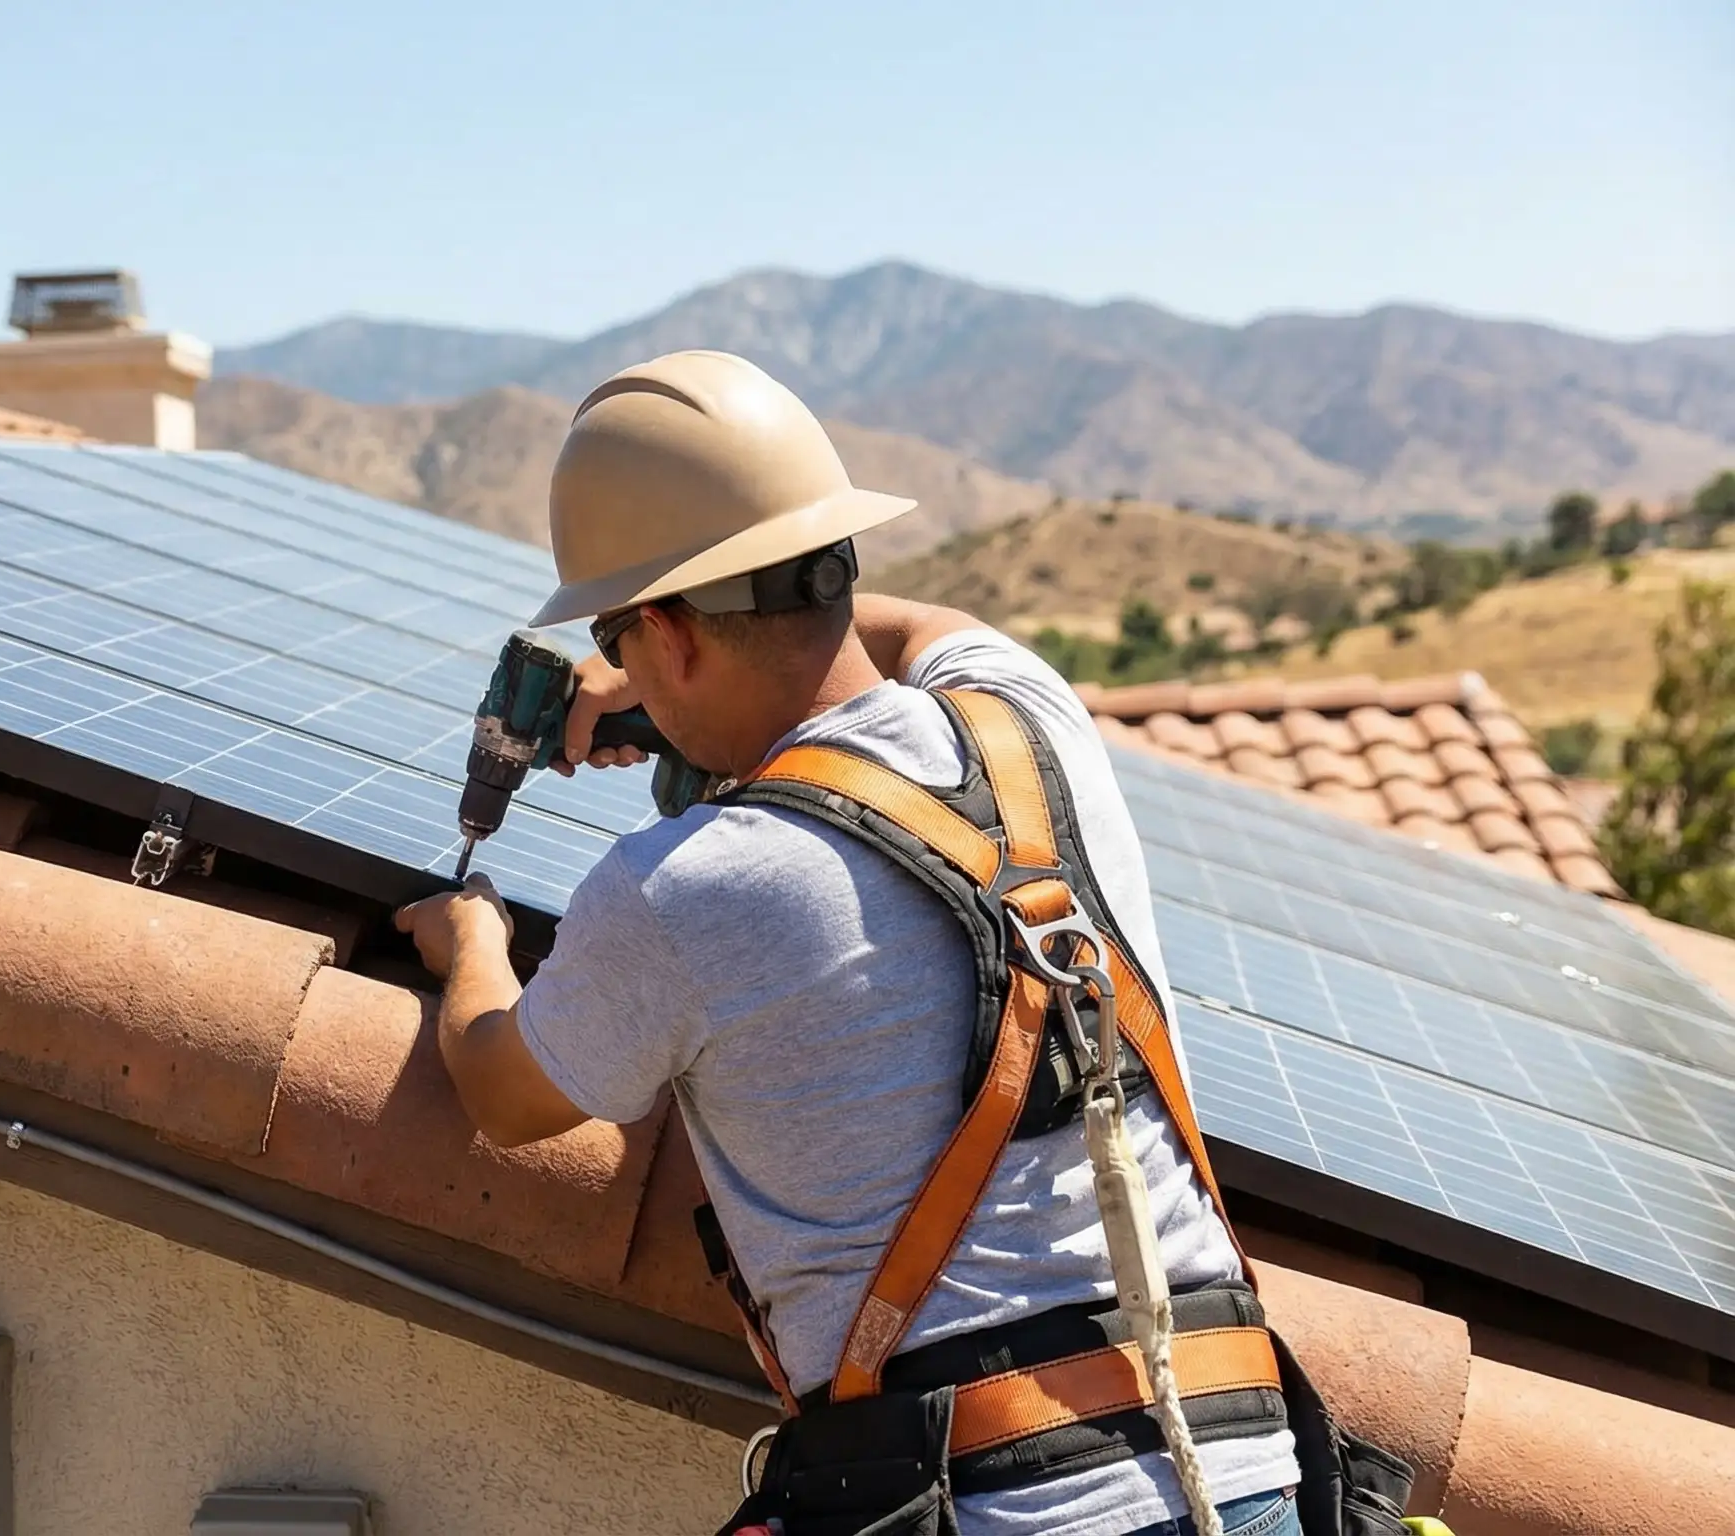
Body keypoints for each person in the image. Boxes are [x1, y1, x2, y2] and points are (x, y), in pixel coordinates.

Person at [396, 352, 1317, 1536]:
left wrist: (471, 943)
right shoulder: (1030, 716)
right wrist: (675, 661)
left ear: (670, 639)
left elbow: (506, 1094)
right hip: (1246, 1475)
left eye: (627, 639)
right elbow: (924, 627)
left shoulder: (684, 888)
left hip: (998, 1510)